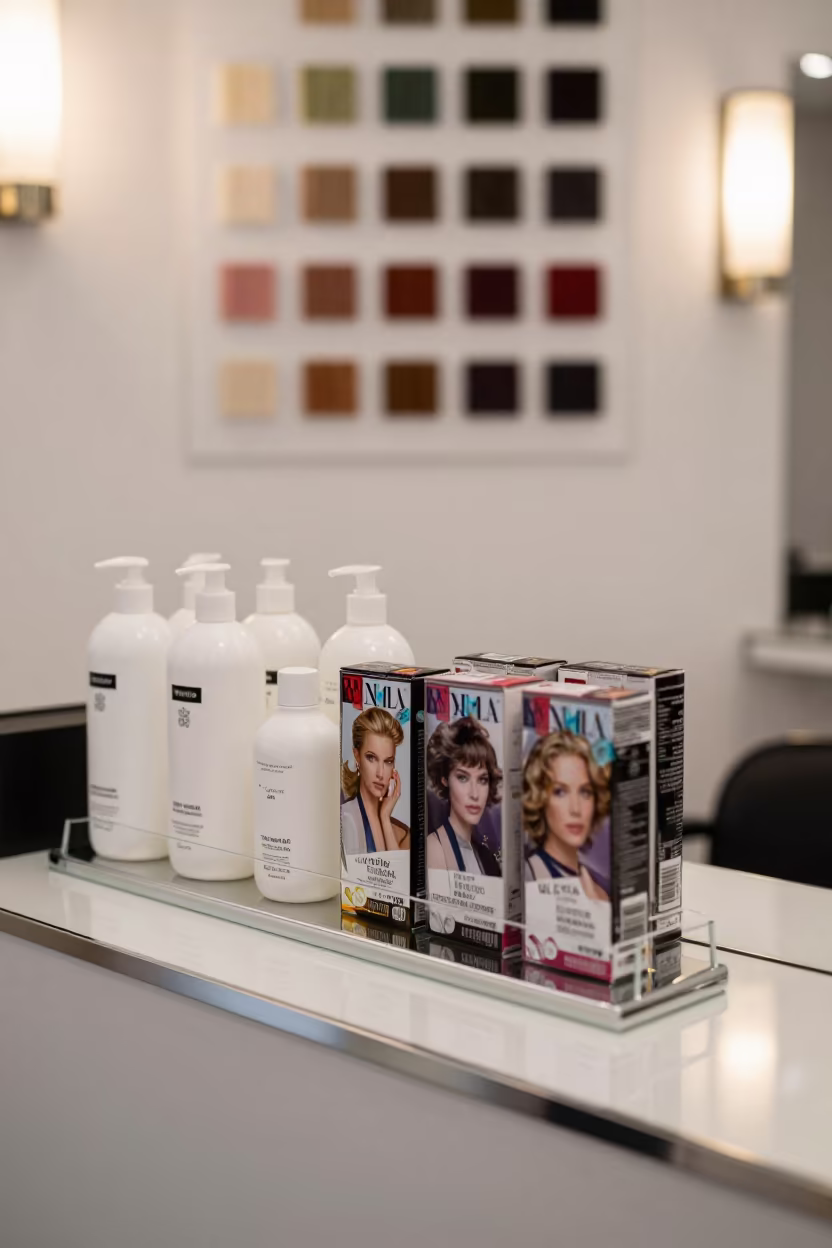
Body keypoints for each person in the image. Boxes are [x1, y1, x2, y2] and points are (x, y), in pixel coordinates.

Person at [522, 730, 610, 901]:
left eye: (585, 792)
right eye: (560, 792)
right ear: (539, 797)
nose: (575, 809)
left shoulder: (600, 888)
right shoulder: (527, 879)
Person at [426, 716, 502, 877]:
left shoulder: (487, 859)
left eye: (482, 779)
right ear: (445, 779)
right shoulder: (433, 849)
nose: (474, 794)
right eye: (463, 777)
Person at [341, 707, 409, 854]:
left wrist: (384, 818)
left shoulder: (402, 833)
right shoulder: (343, 818)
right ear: (357, 756)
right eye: (371, 758)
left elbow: (398, 874)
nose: (380, 773)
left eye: (388, 761)